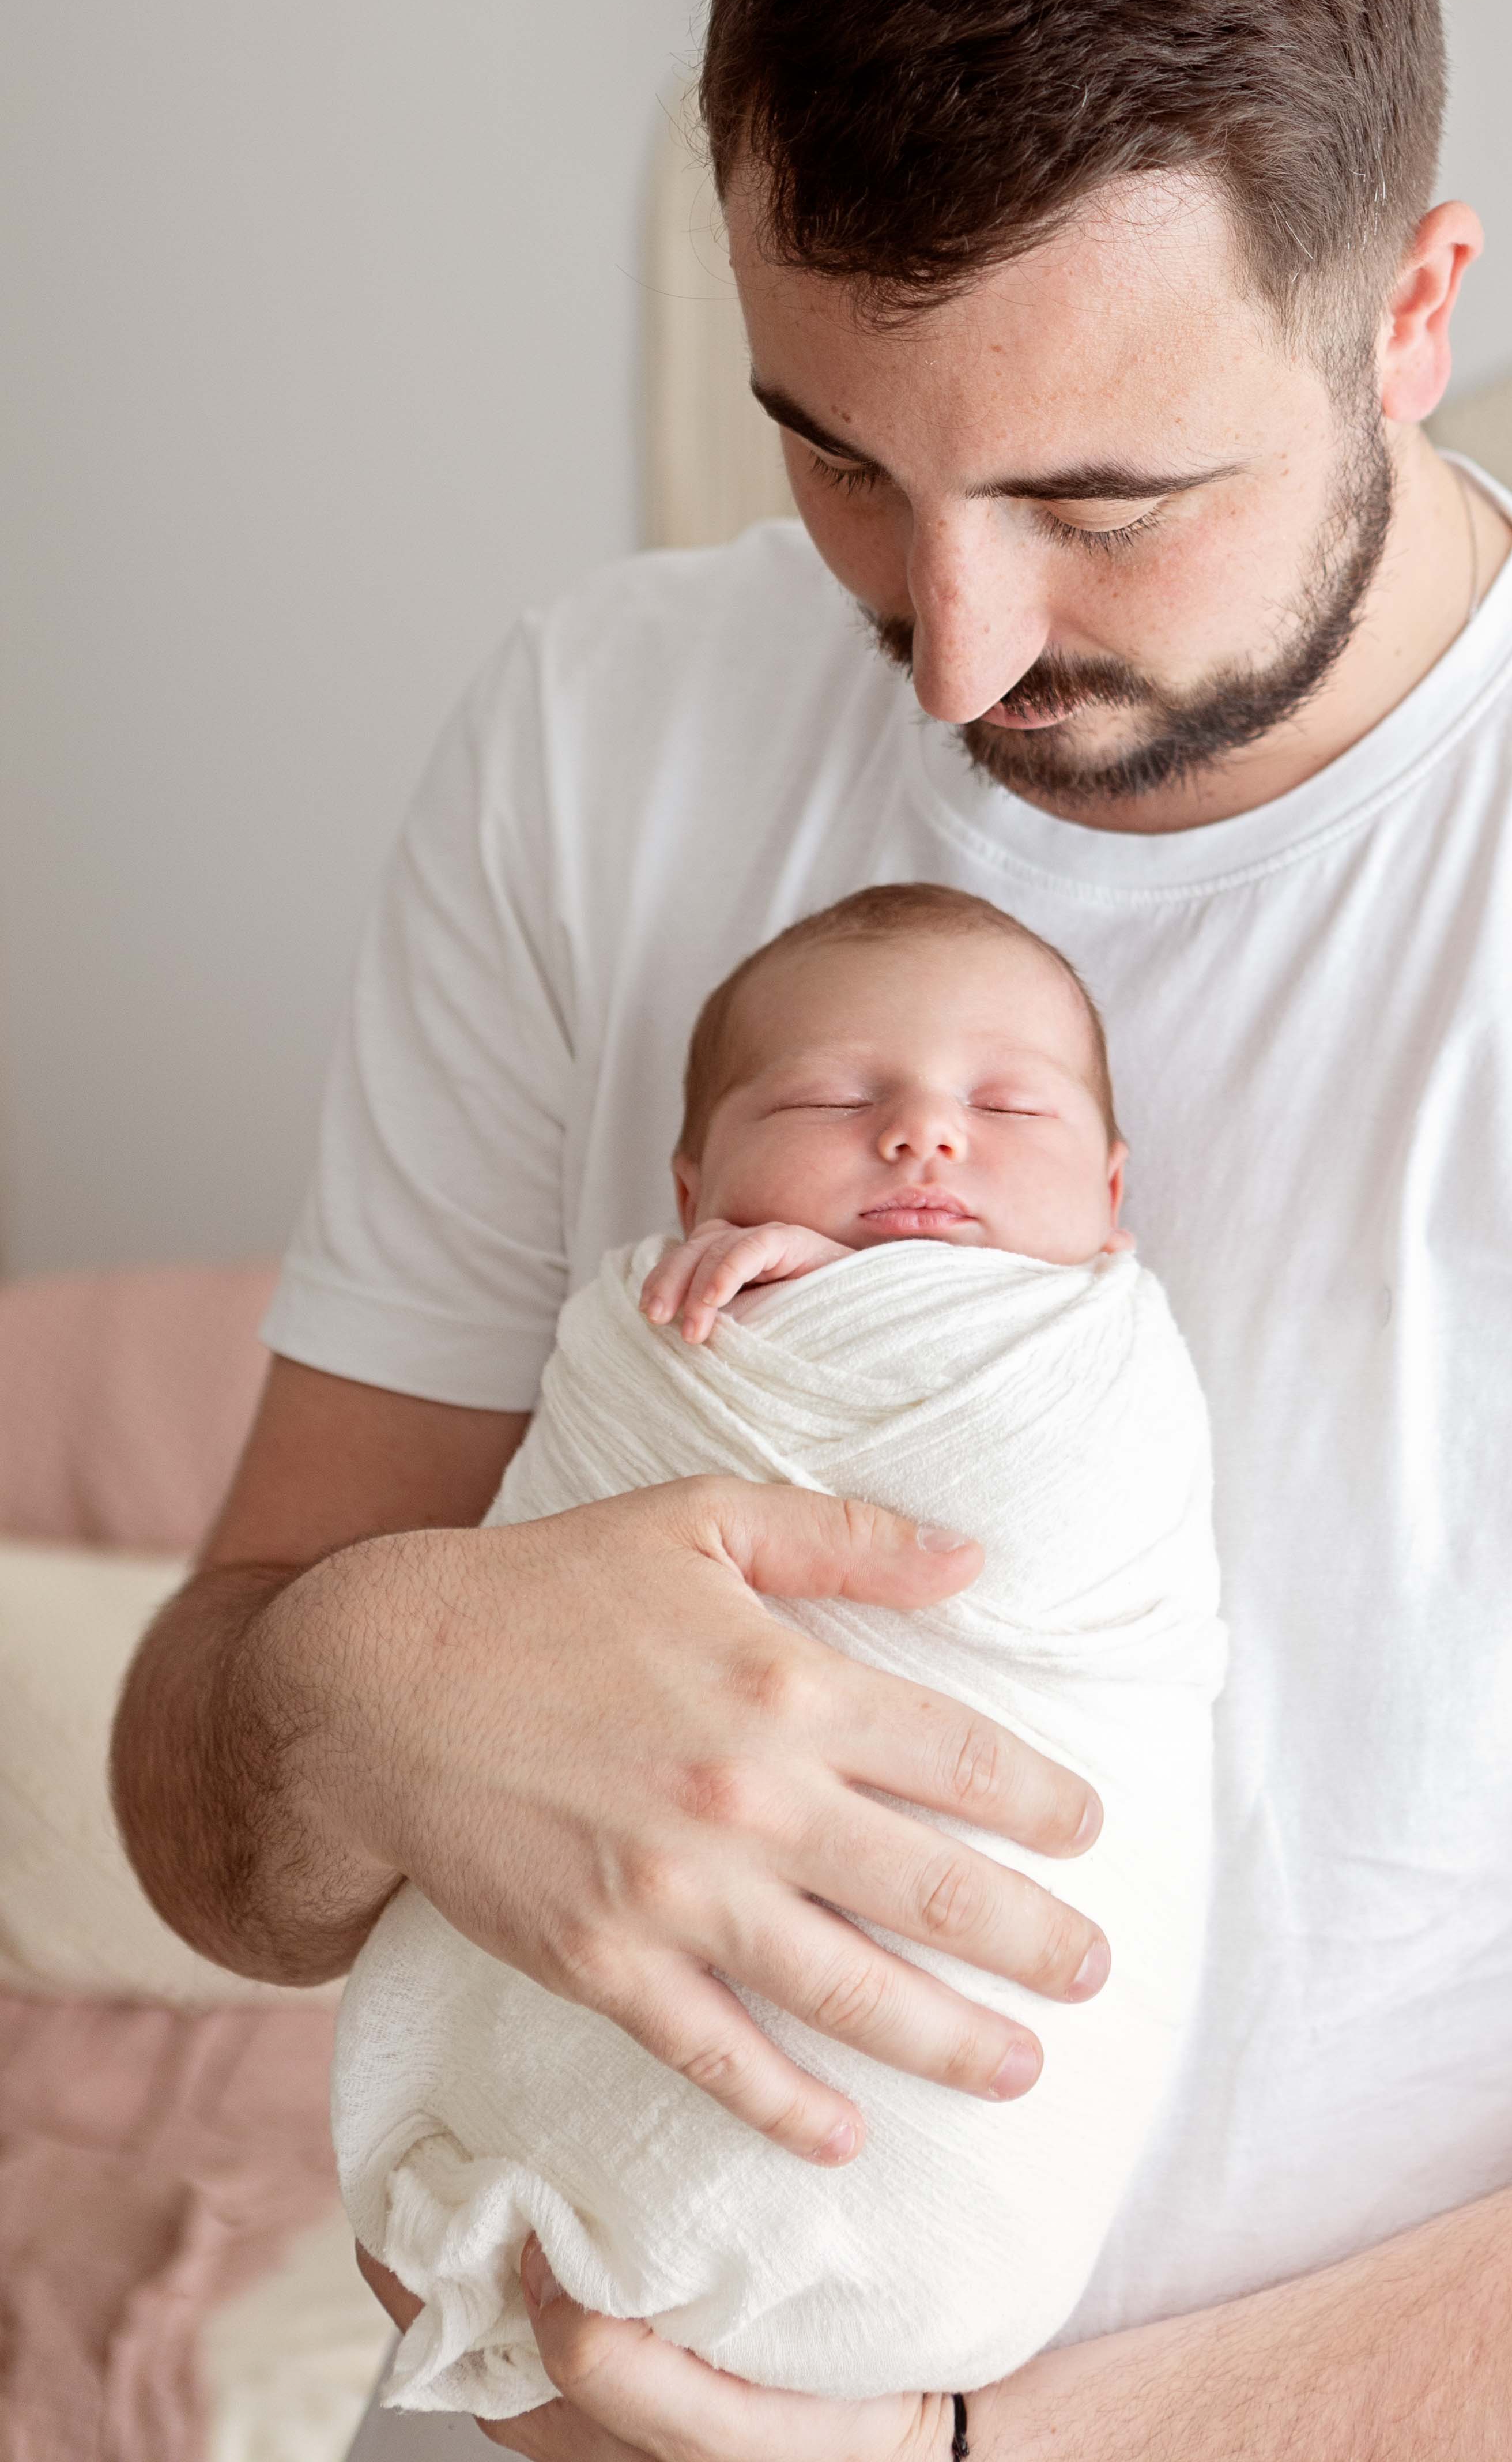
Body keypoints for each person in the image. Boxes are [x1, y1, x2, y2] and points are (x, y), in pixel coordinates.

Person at [114, 0, 1512, 2462]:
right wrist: (374, 1688)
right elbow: (209, 1818)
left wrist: (963, 2459)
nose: (950, 652)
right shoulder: (594, 746)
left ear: (1413, 310)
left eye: (1100, 501)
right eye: (837, 459)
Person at [333, 884, 1224, 2428]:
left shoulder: (1106, 1367)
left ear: (1113, 1191)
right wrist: (735, 1336)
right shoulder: (643, 1337)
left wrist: (889, 1315)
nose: (926, 1138)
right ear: (695, 1182)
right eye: (830, 1100)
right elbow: (534, 1606)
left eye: (1007, 1104)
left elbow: (1036, 1523)